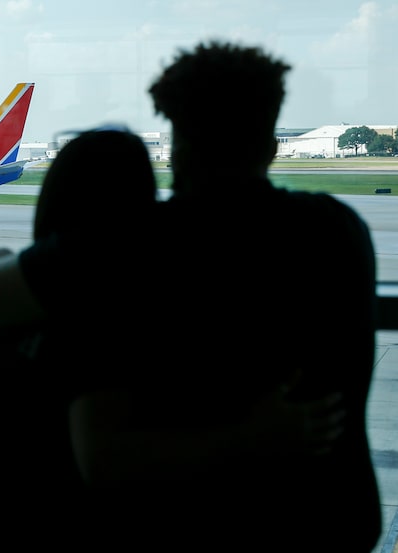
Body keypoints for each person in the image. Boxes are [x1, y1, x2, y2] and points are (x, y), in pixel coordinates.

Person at [0, 123, 348, 552]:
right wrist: (254, 436)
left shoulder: (20, 287)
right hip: (31, 529)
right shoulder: (110, 299)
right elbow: (106, 460)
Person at [68, 41, 382, 551]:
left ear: (178, 140)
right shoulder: (337, 231)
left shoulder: (136, 249)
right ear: (271, 143)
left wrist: (244, 441)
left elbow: (103, 461)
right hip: (329, 522)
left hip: (187, 523)